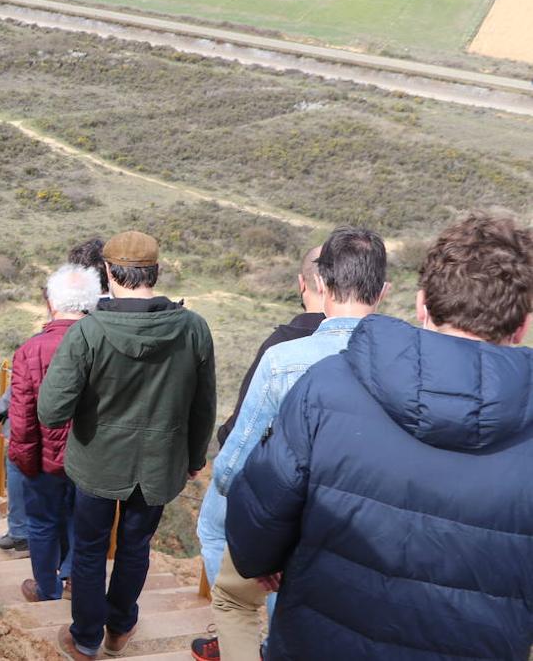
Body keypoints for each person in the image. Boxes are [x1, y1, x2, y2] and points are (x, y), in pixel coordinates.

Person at [226, 214, 533, 661]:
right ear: (522, 324)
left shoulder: (326, 387)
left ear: (421, 303)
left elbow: (256, 520)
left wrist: (270, 559)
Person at [194, 230, 387, 661]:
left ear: (320, 285)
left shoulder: (284, 361)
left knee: (232, 597)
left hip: (292, 526)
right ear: (385, 290)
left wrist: (260, 540)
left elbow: (232, 470)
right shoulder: (407, 365)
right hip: (367, 539)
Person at [38, 230, 216, 660]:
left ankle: (84, 638)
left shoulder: (89, 332)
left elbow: (51, 411)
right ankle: (119, 628)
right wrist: (193, 459)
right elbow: (203, 406)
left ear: (108, 272)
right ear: (154, 272)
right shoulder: (192, 328)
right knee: (136, 547)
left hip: (97, 463)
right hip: (159, 465)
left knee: (90, 549)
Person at [192, 245, 325, 617]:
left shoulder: (283, 348)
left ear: (304, 284)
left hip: (276, 479)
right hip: (334, 492)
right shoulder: (379, 348)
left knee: (214, 529)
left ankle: (240, 621)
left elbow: (245, 428)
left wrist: (224, 453)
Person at [11, 264, 102, 603]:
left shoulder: (31, 350)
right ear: (91, 302)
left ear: (51, 302)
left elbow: (22, 417)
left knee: (41, 522)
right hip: (91, 459)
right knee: (84, 523)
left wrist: (25, 462)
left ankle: (46, 588)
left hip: (45, 461)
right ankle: (75, 580)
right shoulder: (106, 343)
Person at [0, 385, 29, 553]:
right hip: (61, 432)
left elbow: (18, 386)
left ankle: (20, 533)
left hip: (24, 428)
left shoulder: (29, 357)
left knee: (17, 472)